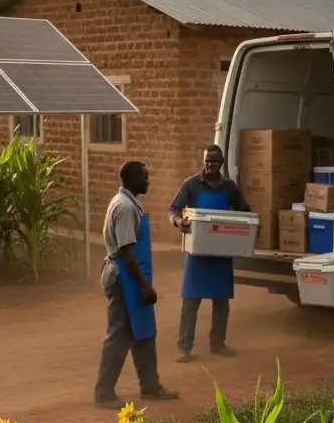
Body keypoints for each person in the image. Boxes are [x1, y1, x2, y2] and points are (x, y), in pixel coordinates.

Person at [95, 161, 179, 406]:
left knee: (142, 332)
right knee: (119, 335)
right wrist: (145, 286)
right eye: (145, 177)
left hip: (125, 274)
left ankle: (150, 386)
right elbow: (127, 253)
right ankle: (103, 393)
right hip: (123, 276)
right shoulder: (126, 208)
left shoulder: (125, 202)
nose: (148, 182)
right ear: (133, 180)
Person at [168, 144, 251, 362]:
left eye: (214, 161)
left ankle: (218, 344)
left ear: (221, 163)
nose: (210, 165)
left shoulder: (229, 187)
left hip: (221, 253)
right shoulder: (192, 184)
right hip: (197, 254)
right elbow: (174, 209)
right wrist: (179, 221)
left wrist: (245, 230)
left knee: (221, 302)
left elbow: (245, 212)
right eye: (206, 161)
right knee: (190, 302)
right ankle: (184, 347)